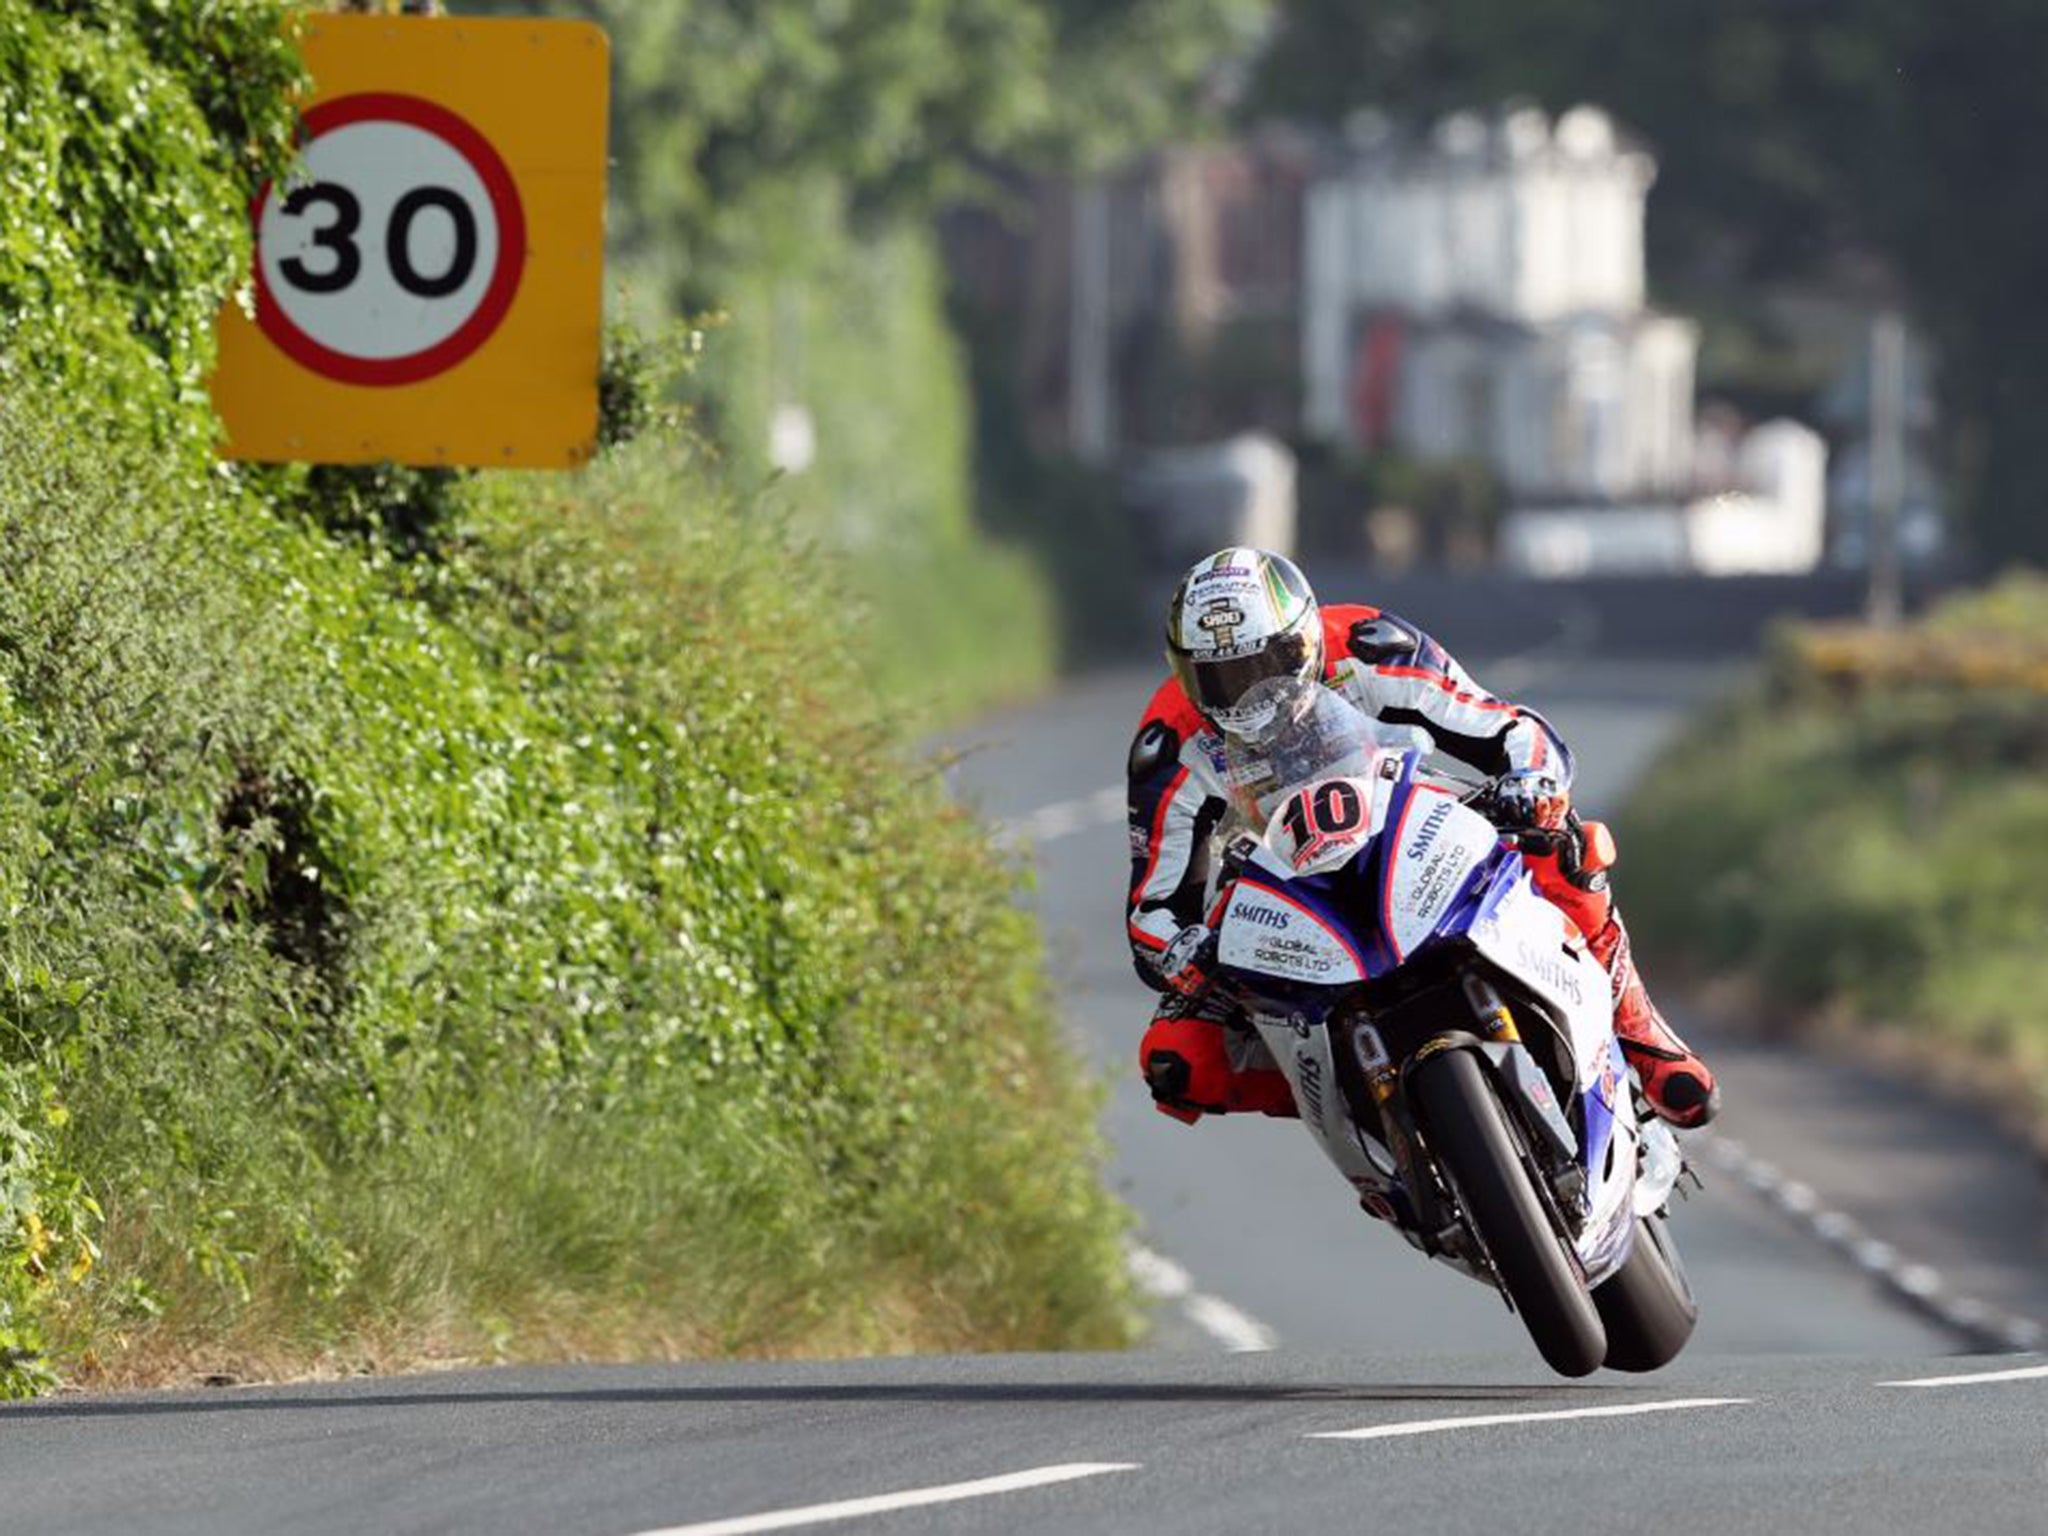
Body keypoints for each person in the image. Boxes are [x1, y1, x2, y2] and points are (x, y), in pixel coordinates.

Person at [1127, 547, 1719, 1131]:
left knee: (1565, 844)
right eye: (1220, 678)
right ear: (1184, 671)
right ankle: (1356, 1113)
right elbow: (1152, 908)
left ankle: (1643, 1038)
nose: (1250, 695)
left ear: (1304, 638)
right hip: (1280, 886)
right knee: (1175, 1060)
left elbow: (1507, 728)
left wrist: (1529, 785)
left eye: (1268, 665)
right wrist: (1185, 952)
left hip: (1411, 819)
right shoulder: (1168, 741)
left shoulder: (1368, 646)